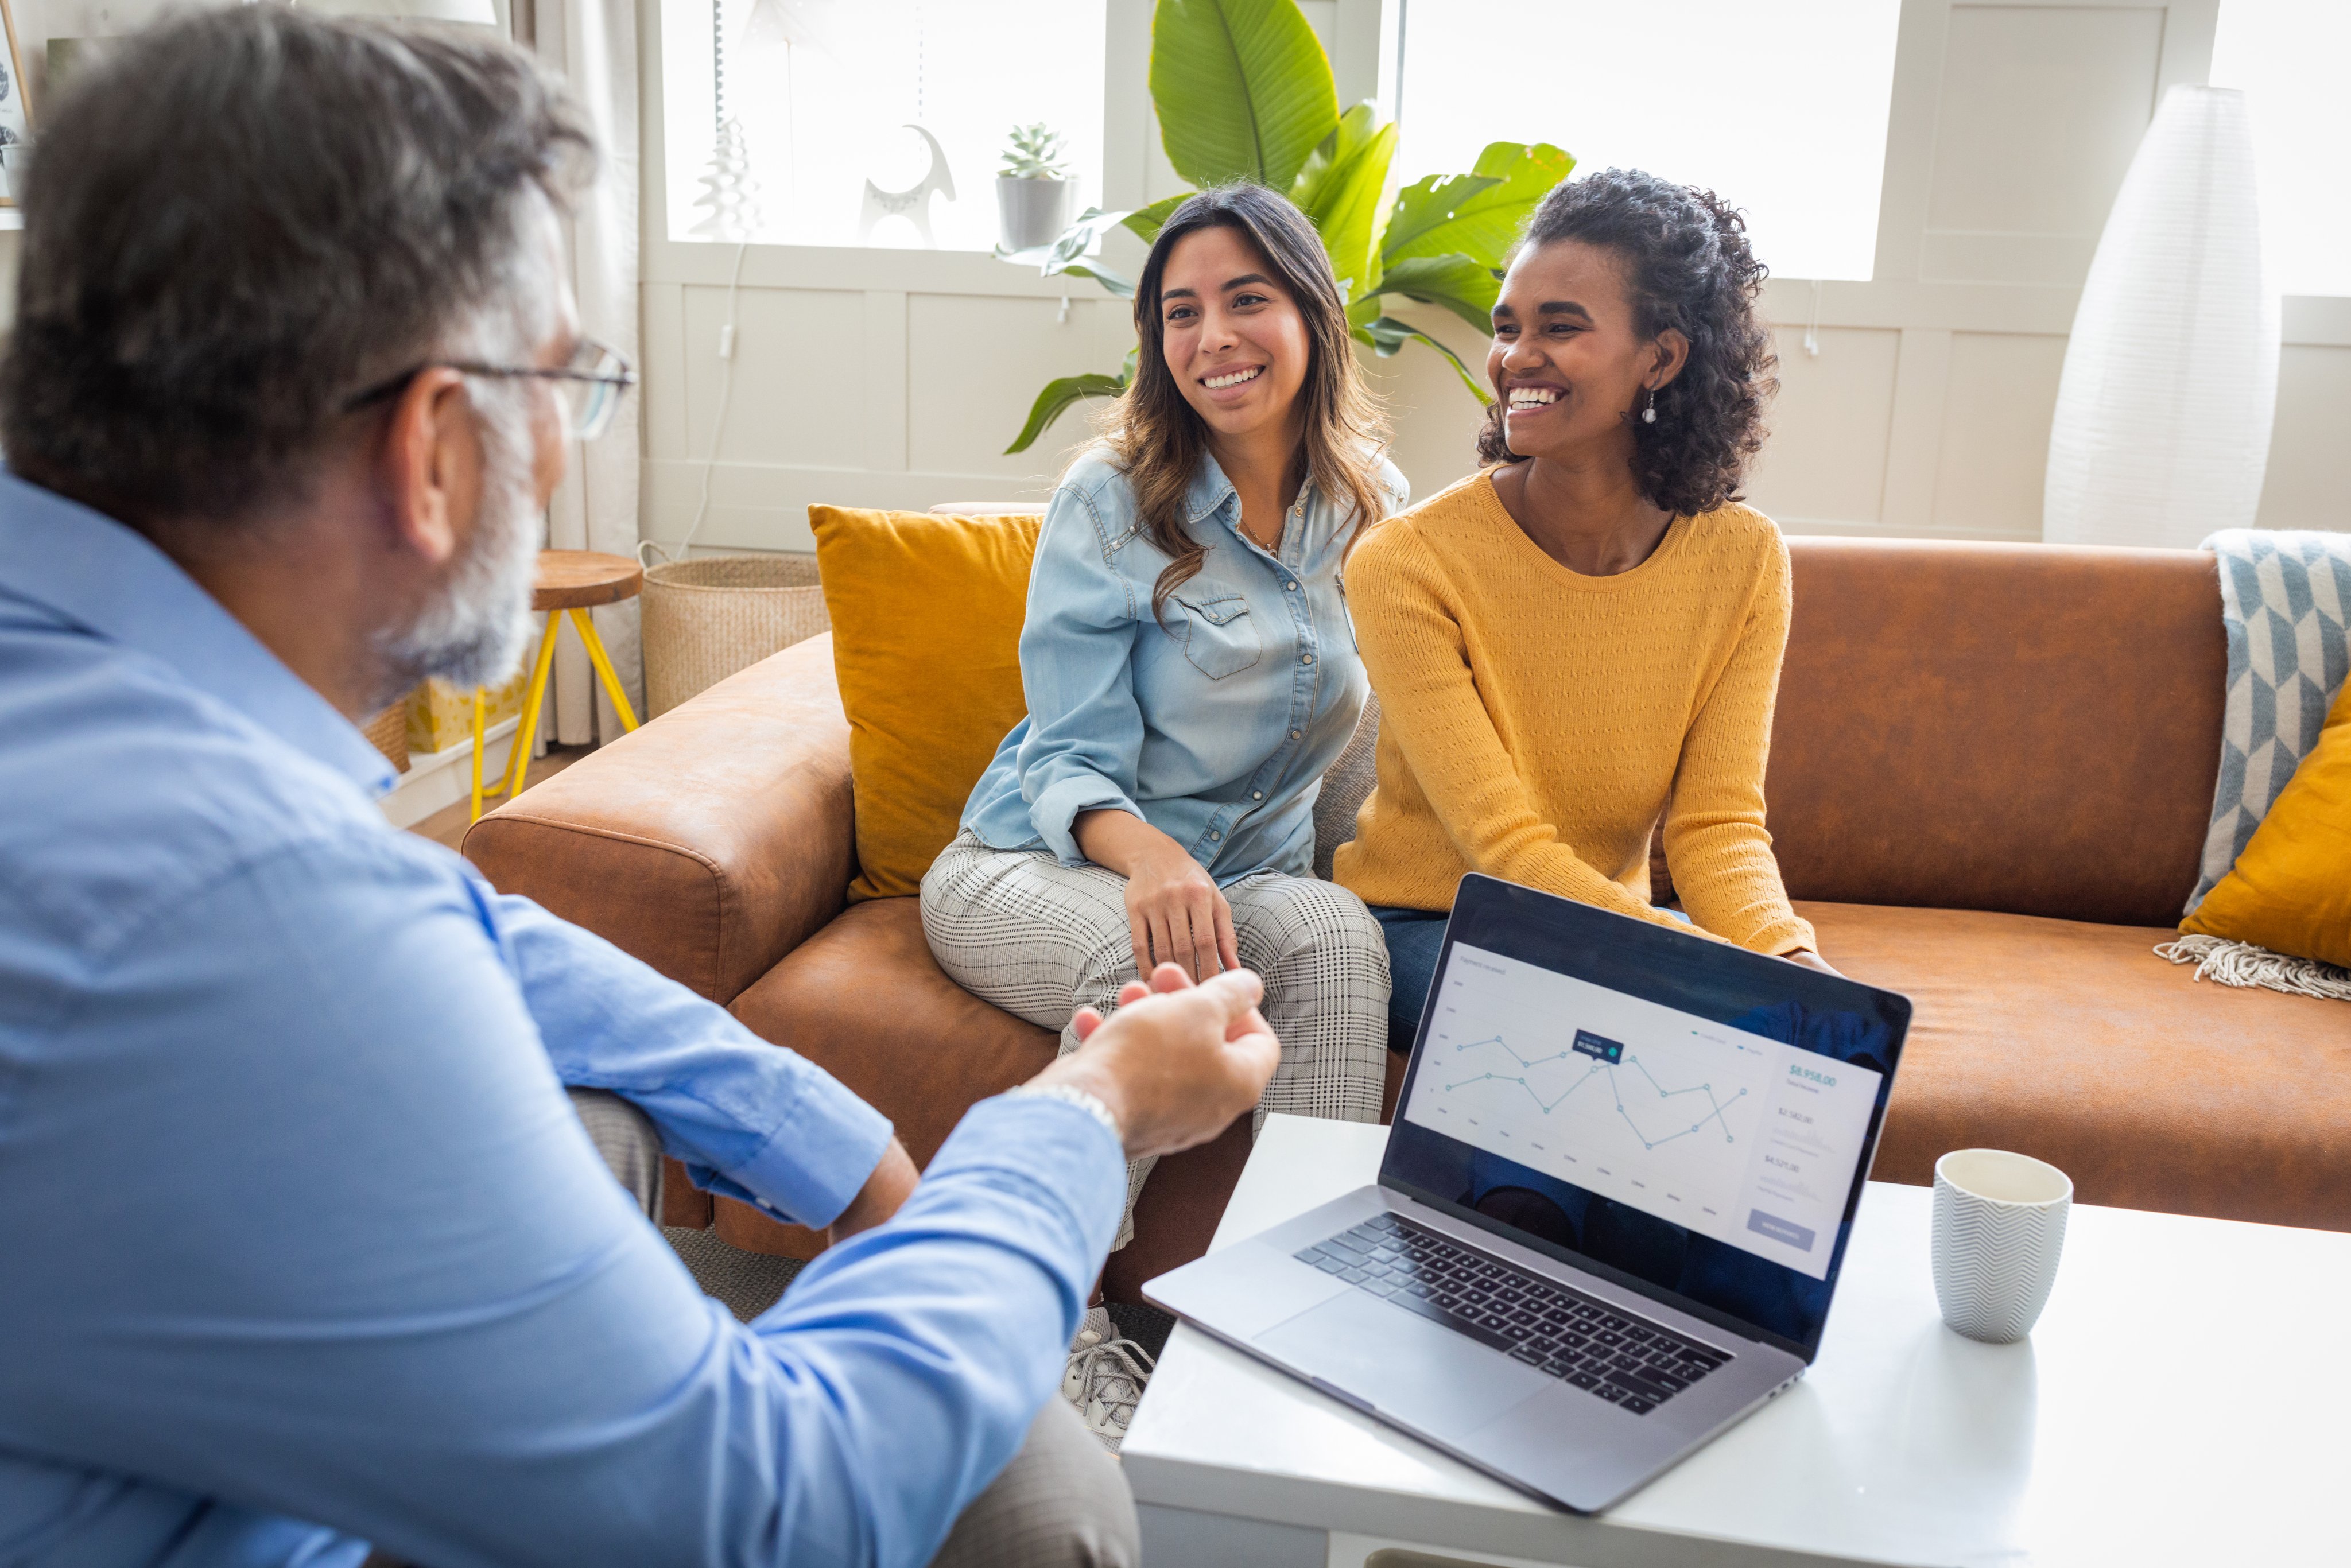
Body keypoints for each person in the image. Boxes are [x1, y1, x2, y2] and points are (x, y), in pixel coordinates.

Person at [0, 12, 1284, 1567]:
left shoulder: (109, 715)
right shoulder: (224, 899)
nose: (561, 451)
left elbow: (456, 920)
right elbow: (763, 1508)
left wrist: (811, 1119)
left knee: (609, 1106)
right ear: (429, 448)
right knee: (1047, 1507)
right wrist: (1087, 1110)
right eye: (566, 384)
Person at [920, 185, 1403, 1442]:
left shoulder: (1367, 502)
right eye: (1179, 311)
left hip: (1240, 880)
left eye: (1247, 299)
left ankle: (1299, 1325)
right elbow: (1068, 757)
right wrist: (1151, 860)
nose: (1212, 338)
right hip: (1034, 859)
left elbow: (1375, 733)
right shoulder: (1111, 494)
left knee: (1340, 940)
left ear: (1311, 311)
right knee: (1152, 961)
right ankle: (1048, 1331)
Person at [1334, 169, 1836, 1058]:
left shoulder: (1745, 561)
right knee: (1683, 1037)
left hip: (1605, 935)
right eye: (1508, 327)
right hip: (1427, 928)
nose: (1517, 356)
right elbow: (1504, 850)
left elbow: (1717, 825)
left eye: (1560, 327)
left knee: (1795, 1037)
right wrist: (1714, 973)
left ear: (1661, 358)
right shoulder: (1407, 561)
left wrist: (1791, 960)